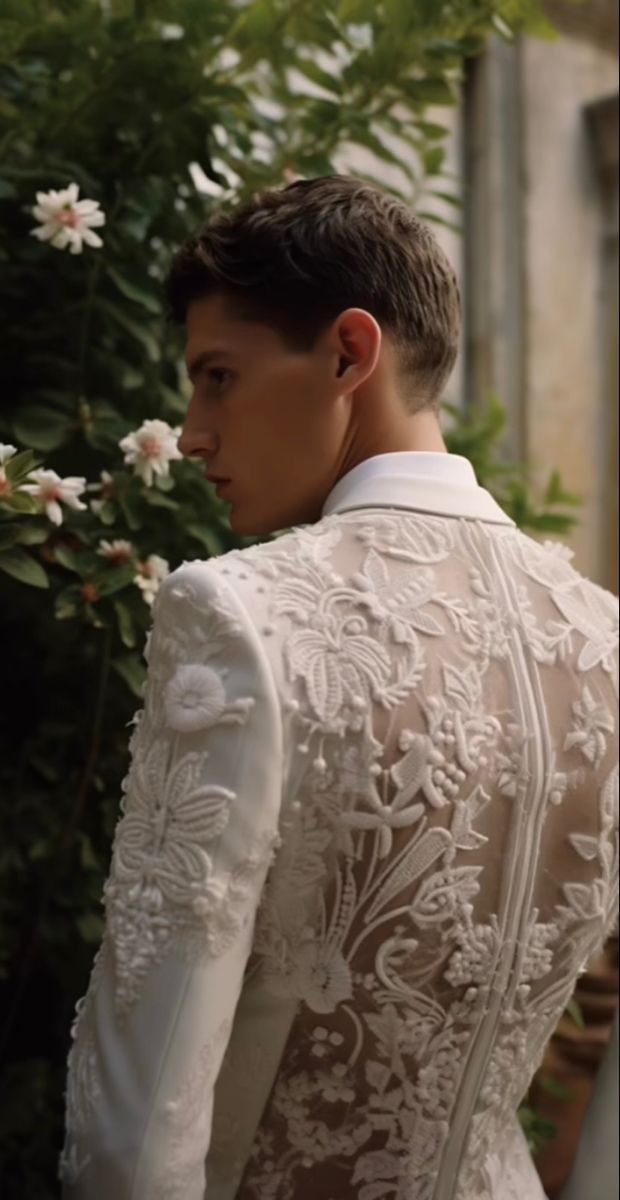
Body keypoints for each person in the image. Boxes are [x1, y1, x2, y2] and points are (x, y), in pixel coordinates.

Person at [60, 176, 619, 1199]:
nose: (190, 432)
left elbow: (136, 1135)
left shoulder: (241, 616)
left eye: (217, 376)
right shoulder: (604, 642)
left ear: (348, 355)